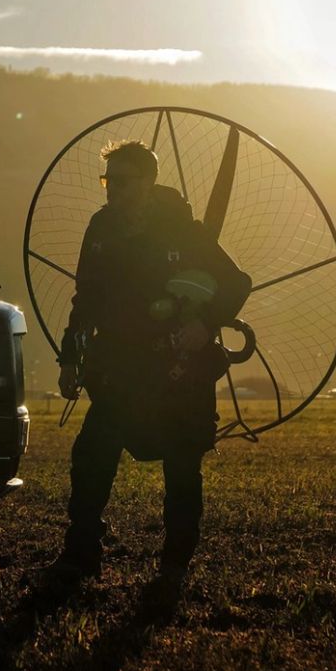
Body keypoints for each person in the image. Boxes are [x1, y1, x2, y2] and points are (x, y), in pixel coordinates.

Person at [49, 139, 251, 583]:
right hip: (119, 369)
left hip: (179, 372)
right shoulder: (100, 229)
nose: (112, 190)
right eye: (108, 181)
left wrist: (207, 325)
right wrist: (70, 357)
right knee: (92, 456)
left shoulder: (184, 231)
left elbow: (235, 283)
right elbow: (86, 299)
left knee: (182, 466)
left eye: (122, 181)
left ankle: (175, 564)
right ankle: (80, 552)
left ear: (148, 181)